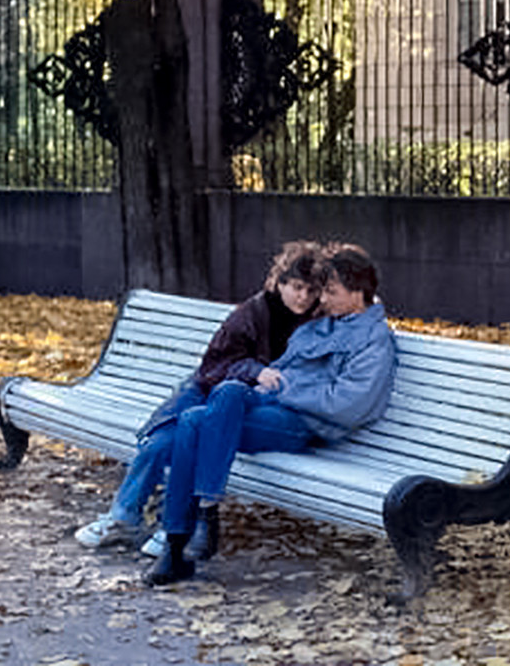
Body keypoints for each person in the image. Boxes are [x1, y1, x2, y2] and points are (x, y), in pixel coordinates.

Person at [146, 241, 397, 586]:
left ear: (358, 293)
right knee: (222, 396)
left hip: (305, 423)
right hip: (272, 404)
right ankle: (194, 523)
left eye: (331, 292)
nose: (320, 300)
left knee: (195, 422)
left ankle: (180, 540)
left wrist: (285, 389)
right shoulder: (328, 321)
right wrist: (263, 386)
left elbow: (347, 404)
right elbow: (283, 358)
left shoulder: (374, 341)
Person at [74, 240, 323, 556]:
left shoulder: (317, 320)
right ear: (279, 282)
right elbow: (214, 365)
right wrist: (254, 371)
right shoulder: (251, 313)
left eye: (311, 291)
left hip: (242, 406)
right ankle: (123, 519)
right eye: (297, 287)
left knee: (193, 436)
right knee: (159, 443)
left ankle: (176, 526)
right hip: (206, 389)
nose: (303, 297)